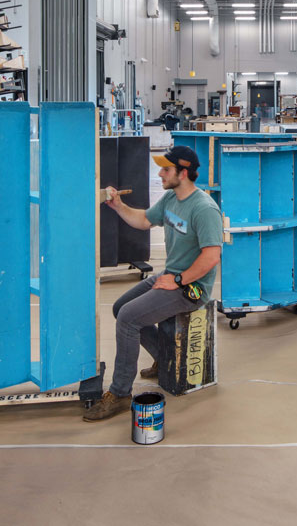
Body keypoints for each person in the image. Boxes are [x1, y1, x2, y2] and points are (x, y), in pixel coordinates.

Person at [85, 145, 223, 421]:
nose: (160, 173)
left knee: (128, 317)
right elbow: (145, 220)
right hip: (171, 276)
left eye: (166, 169)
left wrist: (179, 280)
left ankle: (121, 393)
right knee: (120, 306)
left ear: (183, 173)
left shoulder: (204, 208)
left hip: (192, 287)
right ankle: (165, 357)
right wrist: (118, 206)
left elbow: (212, 256)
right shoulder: (171, 199)